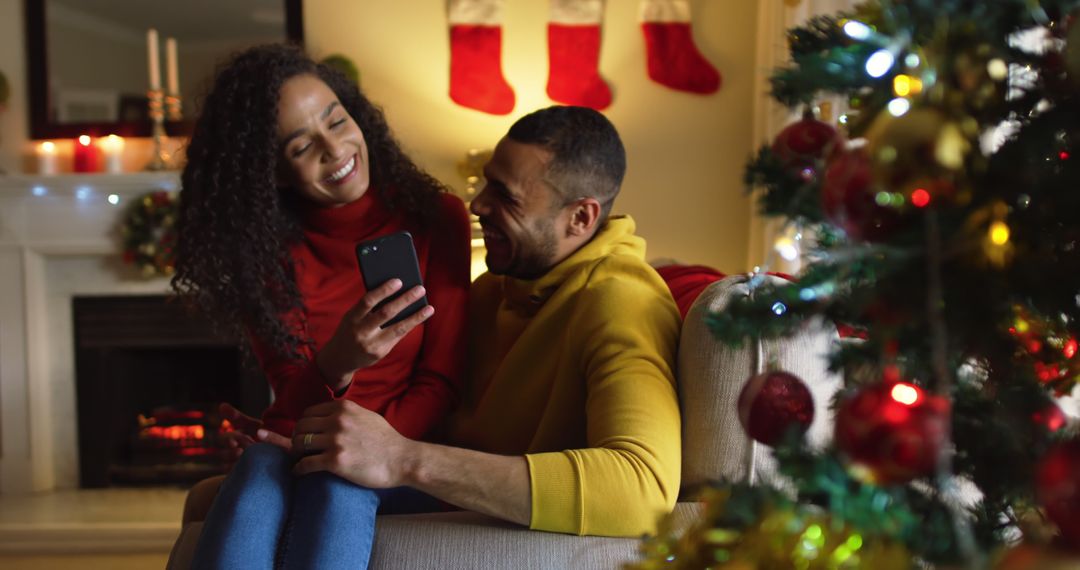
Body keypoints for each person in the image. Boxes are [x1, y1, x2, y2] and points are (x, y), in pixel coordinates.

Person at [287, 104, 682, 544]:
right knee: (263, 470)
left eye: (506, 196)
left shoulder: (621, 299)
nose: (477, 205)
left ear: (580, 218)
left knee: (325, 487)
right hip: (435, 495)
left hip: (484, 517)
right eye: (486, 182)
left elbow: (643, 491)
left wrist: (403, 459)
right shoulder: (495, 286)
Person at [171, 44, 471, 569]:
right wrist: (340, 360)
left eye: (337, 120)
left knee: (334, 478)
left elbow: (441, 383)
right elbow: (290, 397)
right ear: (276, 173)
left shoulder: (438, 218)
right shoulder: (263, 255)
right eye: (301, 146)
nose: (335, 149)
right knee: (262, 469)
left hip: (402, 455)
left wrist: (355, 446)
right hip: (299, 447)